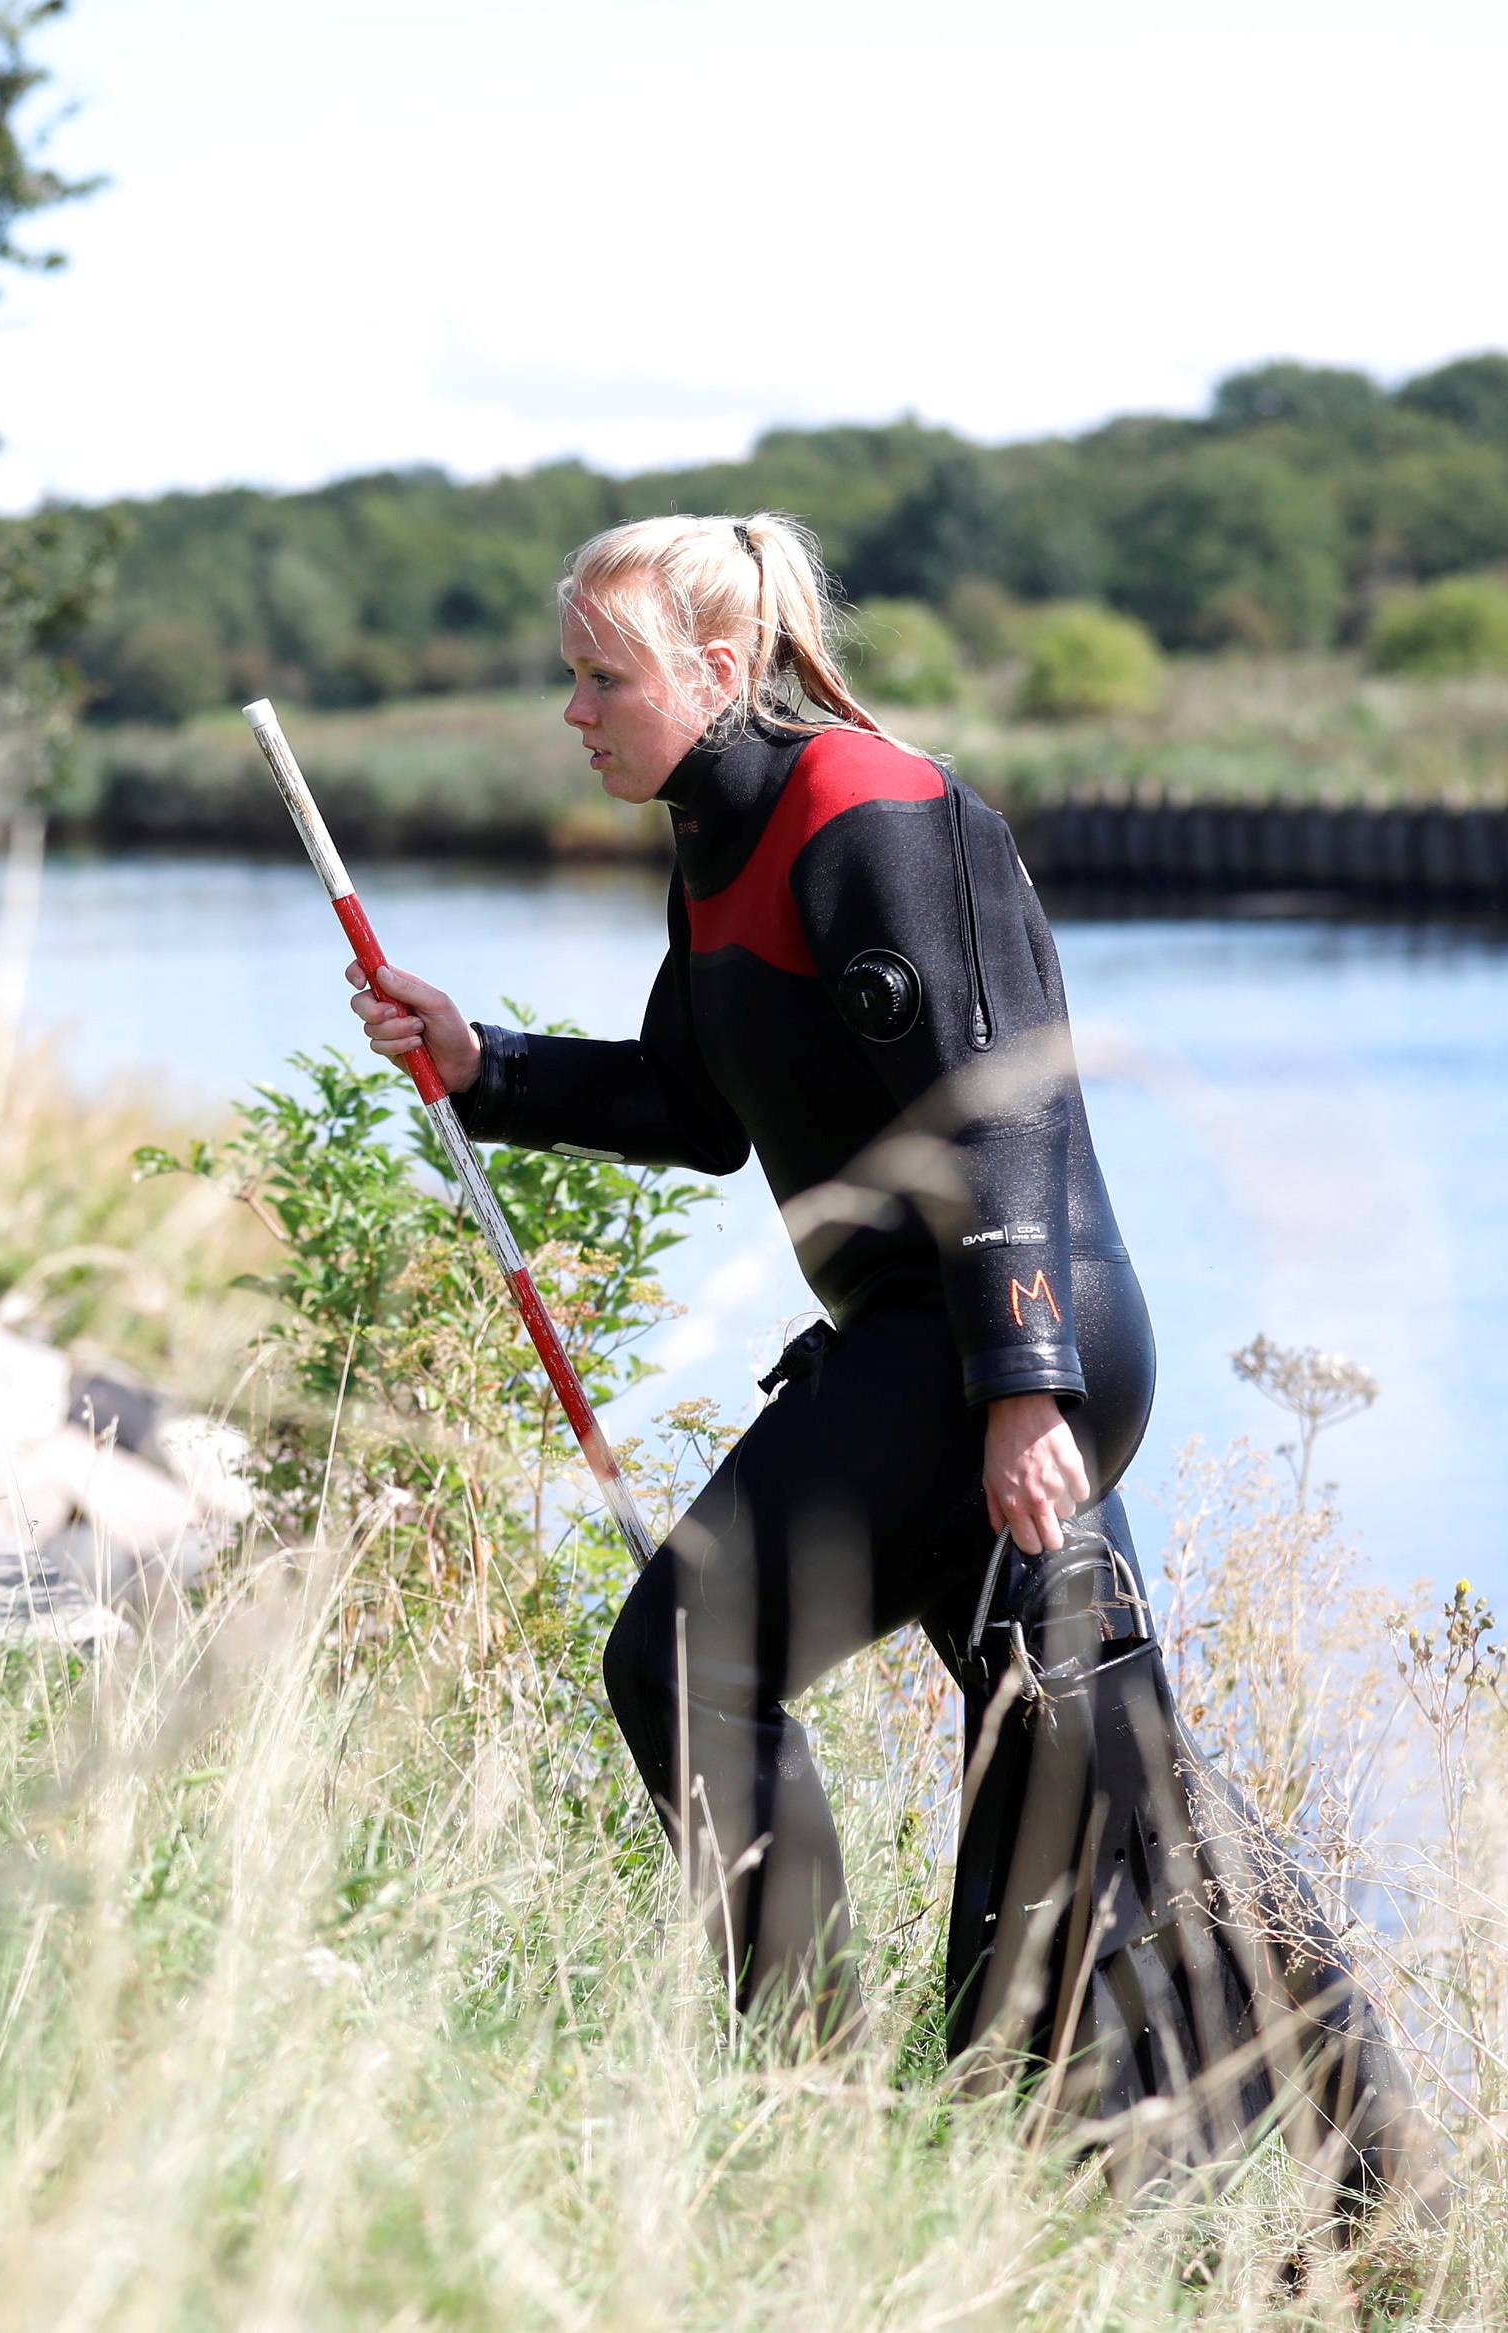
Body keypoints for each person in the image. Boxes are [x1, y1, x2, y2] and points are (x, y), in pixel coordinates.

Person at [343, 513, 1428, 2207]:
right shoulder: (716, 839)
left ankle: (804, 2112)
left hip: (997, 1345)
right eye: (573, 673)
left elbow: (1000, 1096)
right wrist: (484, 1065)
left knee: (685, 1663)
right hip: (957, 1355)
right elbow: (694, 1109)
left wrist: (1020, 1391)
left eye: (600, 674)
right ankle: (1365, 2207)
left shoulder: (872, 810)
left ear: (717, 670)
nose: (574, 708)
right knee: (1107, 1775)